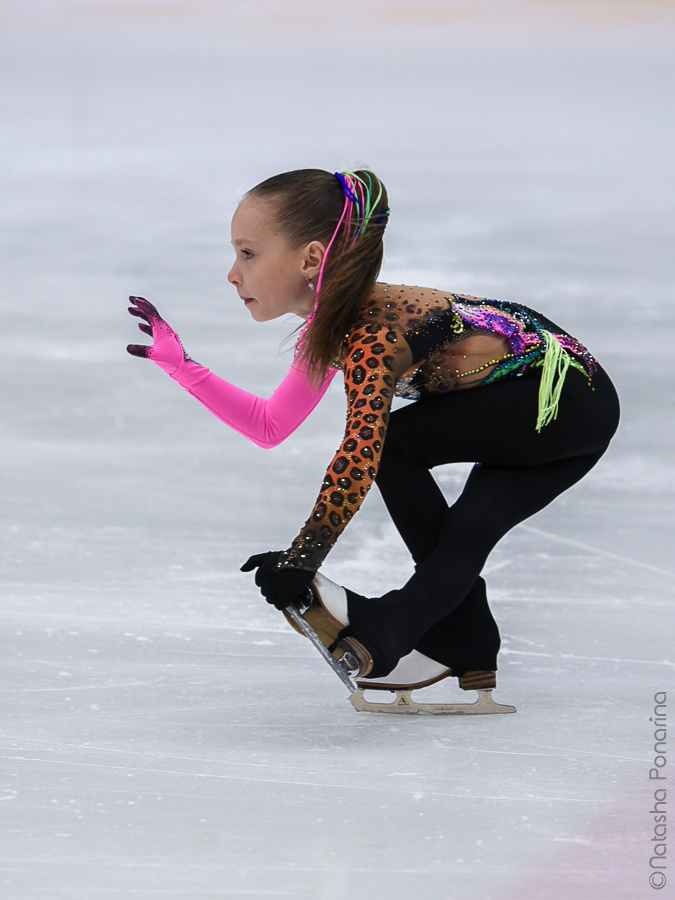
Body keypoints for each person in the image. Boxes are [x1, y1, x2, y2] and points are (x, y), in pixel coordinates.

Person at [127, 168, 620, 686]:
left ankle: (393, 630)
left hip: (565, 398)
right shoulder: (328, 332)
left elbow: (361, 453)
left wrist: (302, 558)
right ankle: (467, 641)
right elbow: (270, 424)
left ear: (311, 259)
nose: (233, 273)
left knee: (397, 443)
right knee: (464, 535)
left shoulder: (374, 332)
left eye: (247, 253)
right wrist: (183, 367)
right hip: (548, 415)